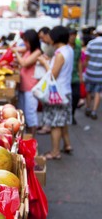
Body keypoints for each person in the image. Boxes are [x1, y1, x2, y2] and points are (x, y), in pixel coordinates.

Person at [38, 26, 74, 160]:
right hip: (65, 91)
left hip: (57, 94)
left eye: (51, 36)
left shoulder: (59, 54)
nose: (49, 38)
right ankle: (67, 145)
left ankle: (55, 152)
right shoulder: (68, 49)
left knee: (55, 125)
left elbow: (53, 74)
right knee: (62, 121)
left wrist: (44, 63)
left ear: (56, 37)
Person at [14, 29, 42, 137]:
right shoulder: (29, 50)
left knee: (30, 113)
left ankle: (32, 137)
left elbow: (25, 63)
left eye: (26, 41)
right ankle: (26, 135)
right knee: (22, 112)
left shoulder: (37, 52)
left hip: (31, 87)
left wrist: (16, 53)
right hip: (23, 86)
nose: (25, 43)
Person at [36, 27, 55, 135]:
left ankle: (48, 126)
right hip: (48, 79)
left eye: (42, 37)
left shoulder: (56, 50)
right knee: (46, 105)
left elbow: (52, 71)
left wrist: (44, 62)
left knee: (49, 105)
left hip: (50, 80)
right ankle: (45, 124)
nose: (42, 39)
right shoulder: (49, 47)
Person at [83, 25, 102, 120]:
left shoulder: (91, 43)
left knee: (89, 91)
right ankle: (94, 111)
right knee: (98, 92)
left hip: (90, 71)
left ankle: (87, 107)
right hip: (100, 74)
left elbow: (87, 58)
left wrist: (84, 68)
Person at [68, 28, 82, 125]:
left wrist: (80, 75)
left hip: (75, 76)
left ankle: (72, 114)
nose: (72, 37)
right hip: (66, 77)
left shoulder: (78, 47)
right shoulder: (64, 47)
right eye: (71, 35)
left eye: (74, 35)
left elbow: (79, 61)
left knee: (76, 95)